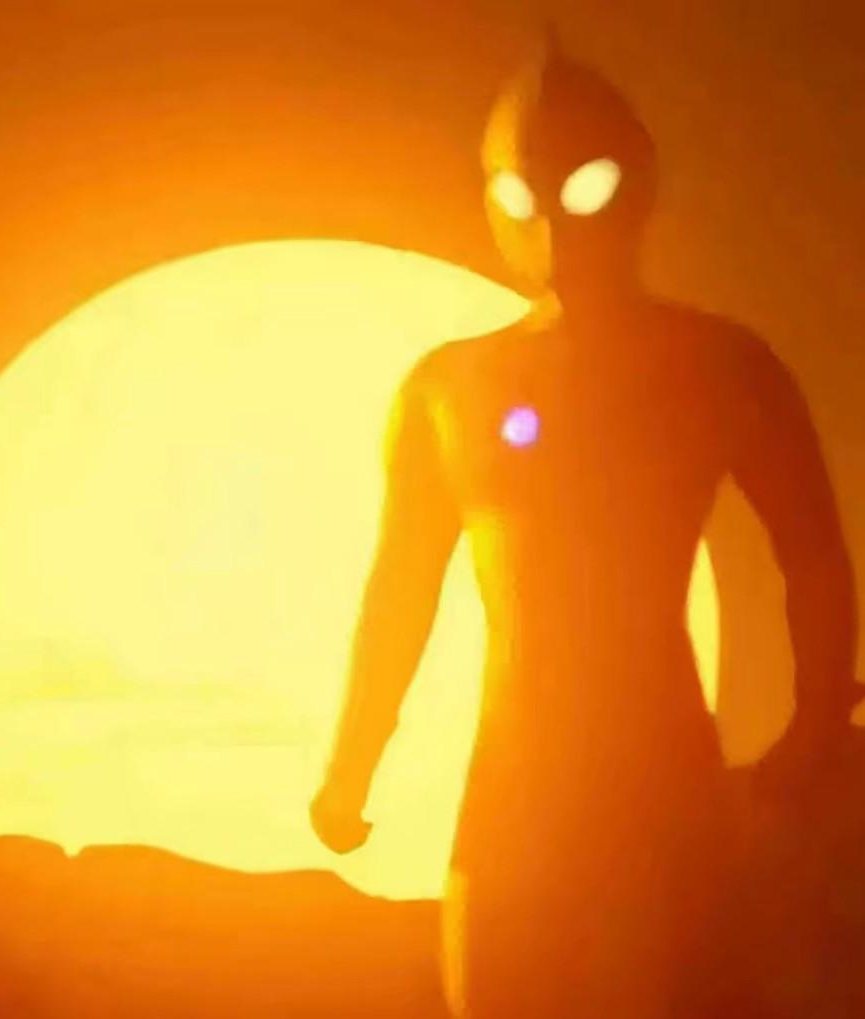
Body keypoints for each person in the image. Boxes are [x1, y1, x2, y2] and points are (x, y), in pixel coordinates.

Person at [309, 33, 860, 1018]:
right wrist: (349, 763)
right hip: (514, 801)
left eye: (583, 186)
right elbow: (399, 589)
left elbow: (811, 555)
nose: (557, 225)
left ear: (634, 185)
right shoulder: (449, 387)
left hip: (658, 791)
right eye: (524, 195)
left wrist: (815, 722)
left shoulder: (717, 366)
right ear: (493, 200)